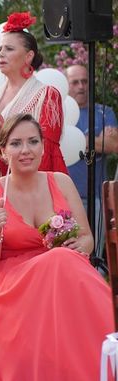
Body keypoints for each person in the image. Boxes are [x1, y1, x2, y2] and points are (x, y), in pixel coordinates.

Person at [0, 113, 113, 381]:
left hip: (58, 277)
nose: (26, 150)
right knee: (62, 261)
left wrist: (81, 244)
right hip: (11, 284)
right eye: (17, 143)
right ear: (3, 151)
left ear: (43, 146)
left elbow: (89, 240)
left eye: (33, 142)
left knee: (64, 259)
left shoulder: (60, 182)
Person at [0, 12, 68, 381]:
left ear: (29, 57)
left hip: (27, 195)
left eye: (10, 49)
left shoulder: (45, 93)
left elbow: (46, 142)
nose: (1, 54)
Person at [66, 64, 118, 254]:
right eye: (75, 82)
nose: (81, 86)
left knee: (95, 250)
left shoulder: (105, 112)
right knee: (70, 250)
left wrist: (80, 140)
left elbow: (113, 145)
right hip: (67, 196)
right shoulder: (62, 114)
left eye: (84, 81)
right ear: (67, 85)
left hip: (96, 196)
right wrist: (99, 138)